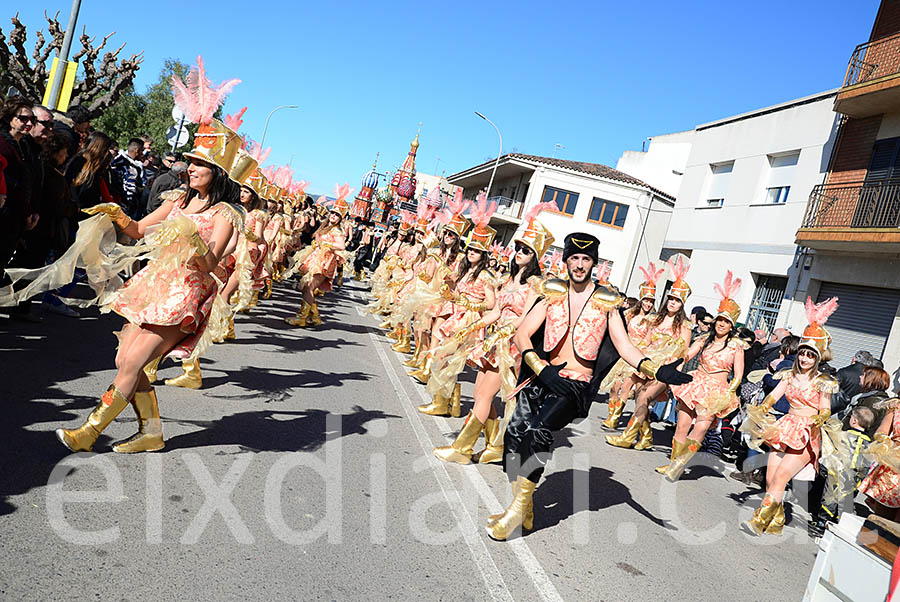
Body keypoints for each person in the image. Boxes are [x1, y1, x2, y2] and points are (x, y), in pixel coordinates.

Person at [54, 58, 243, 454]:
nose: (190, 168)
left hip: (185, 296)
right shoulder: (176, 199)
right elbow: (139, 229)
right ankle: (152, 432)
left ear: (217, 173)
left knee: (132, 361)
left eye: (200, 164)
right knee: (126, 357)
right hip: (155, 286)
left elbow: (212, 264)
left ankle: (88, 432)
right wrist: (116, 214)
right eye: (189, 161)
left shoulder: (224, 214)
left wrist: (193, 237)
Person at [484, 232, 692, 541]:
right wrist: (540, 367)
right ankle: (525, 506)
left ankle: (516, 509)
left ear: (594, 263)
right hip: (542, 376)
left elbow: (624, 345)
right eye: (574, 258)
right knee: (514, 436)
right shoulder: (552, 292)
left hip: (574, 384)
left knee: (538, 432)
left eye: (585, 259)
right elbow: (523, 334)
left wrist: (655, 368)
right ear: (566, 261)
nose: (579, 265)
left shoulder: (606, 300)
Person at [433, 205, 550, 464]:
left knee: (485, 396)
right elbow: (496, 311)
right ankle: (496, 445)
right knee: (479, 395)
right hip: (495, 339)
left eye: (526, 250)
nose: (519, 253)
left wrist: (508, 331)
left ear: (535, 256)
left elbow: (527, 317)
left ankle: (462, 448)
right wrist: (472, 327)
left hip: (511, 346)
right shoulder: (508, 279)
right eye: (518, 248)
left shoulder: (535, 284)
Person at [740, 297, 840, 536]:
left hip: (807, 432)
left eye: (810, 356)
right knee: (771, 478)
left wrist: (820, 417)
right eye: (803, 354)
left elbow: (825, 408)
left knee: (782, 476)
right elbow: (774, 395)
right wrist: (764, 406)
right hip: (785, 427)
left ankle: (759, 520)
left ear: (817, 359)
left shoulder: (822, 382)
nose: (805, 359)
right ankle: (777, 519)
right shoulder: (788, 375)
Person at [659, 271, 745, 480]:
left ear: (731, 325)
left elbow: (738, 376)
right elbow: (687, 354)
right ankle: (673, 463)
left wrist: (727, 396)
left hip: (716, 392)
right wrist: (672, 363)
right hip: (696, 383)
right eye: (719, 320)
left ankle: (680, 464)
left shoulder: (736, 346)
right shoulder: (705, 338)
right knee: (682, 425)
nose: (721, 324)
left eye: (725, 322)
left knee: (701, 427)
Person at [606, 256, 692, 450]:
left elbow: (683, 353)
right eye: (671, 298)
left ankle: (628, 436)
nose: (672, 303)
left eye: (677, 300)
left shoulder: (685, 326)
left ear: (682, 304)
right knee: (638, 398)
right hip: (648, 365)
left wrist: (673, 372)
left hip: (665, 369)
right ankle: (646, 437)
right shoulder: (655, 320)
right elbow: (645, 343)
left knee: (644, 397)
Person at [600, 261, 661, 430]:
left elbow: (651, 340)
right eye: (646, 300)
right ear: (641, 300)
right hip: (622, 353)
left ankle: (615, 418)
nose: (648, 304)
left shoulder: (653, 320)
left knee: (626, 388)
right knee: (614, 388)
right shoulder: (628, 314)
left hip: (637, 356)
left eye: (651, 301)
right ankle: (610, 414)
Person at [284, 188, 350, 327]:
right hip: (317, 259)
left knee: (308, 287)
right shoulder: (326, 227)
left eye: (337, 215)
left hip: (325, 262)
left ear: (340, 218)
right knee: (306, 287)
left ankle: (302, 317)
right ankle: (315, 316)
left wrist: (327, 244)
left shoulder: (337, 230)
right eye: (332, 213)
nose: (333, 216)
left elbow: (342, 246)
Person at [0, 97, 39, 286]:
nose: (29, 123)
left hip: (16, 218)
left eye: (32, 120)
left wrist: (29, 210)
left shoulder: (25, 146)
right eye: (23, 118)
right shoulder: (2, 143)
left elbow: (26, 182)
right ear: (10, 118)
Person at [860, 396, 900, 521]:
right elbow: (882, 429)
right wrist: (882, 439)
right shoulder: (895, 405)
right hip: (894, 464)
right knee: (883, 518)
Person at [66, 132, 117, 209]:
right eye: (106, 150)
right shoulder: (79, 163)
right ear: (100, 149)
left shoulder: (96, 169)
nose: (107, 154)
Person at [110, 137, 146, 218]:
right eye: (142, 151)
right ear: (137, 150)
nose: (143, 154)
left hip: (128, 206)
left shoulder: (134, 166)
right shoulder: (122, 164)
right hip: (122, 206)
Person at [833, 350, 876, 417]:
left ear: (854, 359)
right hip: (855, 413)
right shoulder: (870, 377)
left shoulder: (843, 371)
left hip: (837, 409)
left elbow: (832, 389)